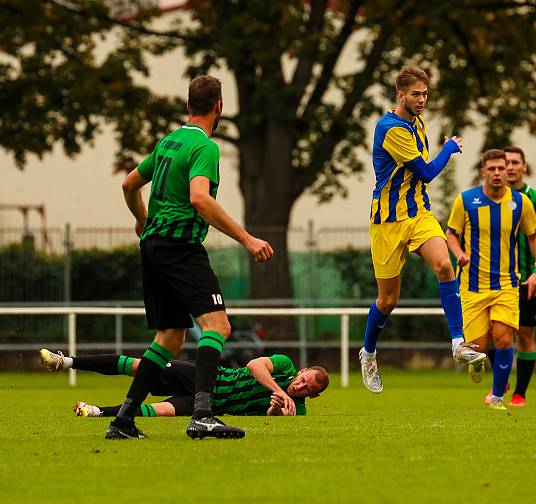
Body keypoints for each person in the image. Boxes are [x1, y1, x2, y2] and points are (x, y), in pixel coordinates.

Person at [112, 75, 273, 440]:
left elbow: (129, 183)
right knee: (217, 327)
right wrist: (246, 239)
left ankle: (122, 420)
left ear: (188, 106)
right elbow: (200, 198)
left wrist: (142, 219)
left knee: (169, 337)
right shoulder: (204, 148)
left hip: (152, 246)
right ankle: (202, 413)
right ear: (219, 107)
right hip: (179, 247)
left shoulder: (169, 141)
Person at [359, 65, 486, 393]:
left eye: (425, 94)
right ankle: (369, 352)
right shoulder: (390, 128)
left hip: (419, 214)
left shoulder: (418, 122)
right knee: (388, 300)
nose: (422, 100)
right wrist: (450, 147)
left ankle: (458, 342)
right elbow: (427, 172)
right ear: (400, 94)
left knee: (445, 265)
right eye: (416, 94)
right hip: (387, 222)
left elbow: (420, 181)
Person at [445, 149, 536, 411]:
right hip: (472, 286)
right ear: (483, 172)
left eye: (502, 168)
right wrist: (459, 254)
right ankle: (477, 361)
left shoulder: (520, 203)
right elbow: (451, 234)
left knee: (504, 339)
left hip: (506, 285)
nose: (498, 173)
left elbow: (534, 234)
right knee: (478, 347)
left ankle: (498, 397)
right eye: (492, 169)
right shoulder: (466, 201)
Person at [39, 349, 327, 417]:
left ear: (311, 397)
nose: (301, 387)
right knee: (142, 366)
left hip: (209, 405)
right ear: (300, 371)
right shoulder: (285, 366)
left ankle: (96, 411)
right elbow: (254, 365)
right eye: (304, 380)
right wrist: (276, 390)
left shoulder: (297, 412)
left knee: (163, 411)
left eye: (308, 389)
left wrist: (275, 410)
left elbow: (267, 420)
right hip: (206, 378)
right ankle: (65, 361)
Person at [492, 146, 536, 408]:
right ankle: (502, 377)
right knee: (490, 334)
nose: (509, 167)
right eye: (505, 162)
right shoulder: (489, 199)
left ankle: (519, 393)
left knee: (526, 335)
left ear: (524, 167)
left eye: (515, 162)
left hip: (527, 281)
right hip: (497, 280)